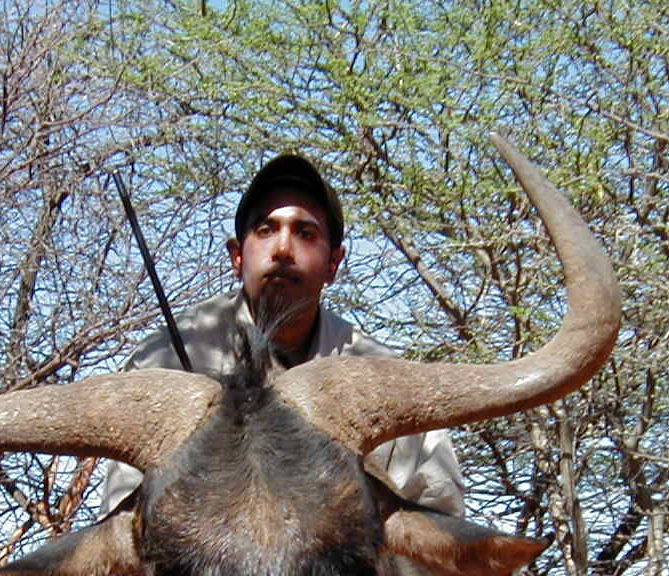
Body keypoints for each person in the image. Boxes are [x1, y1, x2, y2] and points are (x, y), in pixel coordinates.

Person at [101, 153, 464, 517]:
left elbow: (441, 514)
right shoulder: (164, 362)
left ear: (334, 265)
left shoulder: (385, 378)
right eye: (266, 229)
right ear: (237, 256)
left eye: (305, 233)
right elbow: (125, 523)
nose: (283, 250)